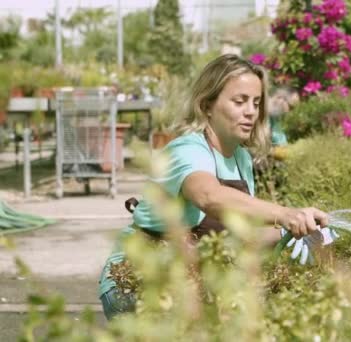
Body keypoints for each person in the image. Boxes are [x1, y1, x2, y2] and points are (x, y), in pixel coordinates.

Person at [98, 54, 329, 320]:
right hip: (133, 282)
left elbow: (242, 238)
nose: (251, 111)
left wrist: (294, 233)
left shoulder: (241, 159)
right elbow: (208, 196)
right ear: (207, 105)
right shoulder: (188, 149)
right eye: (239, 101)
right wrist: (286, 213)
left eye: (256, 103)